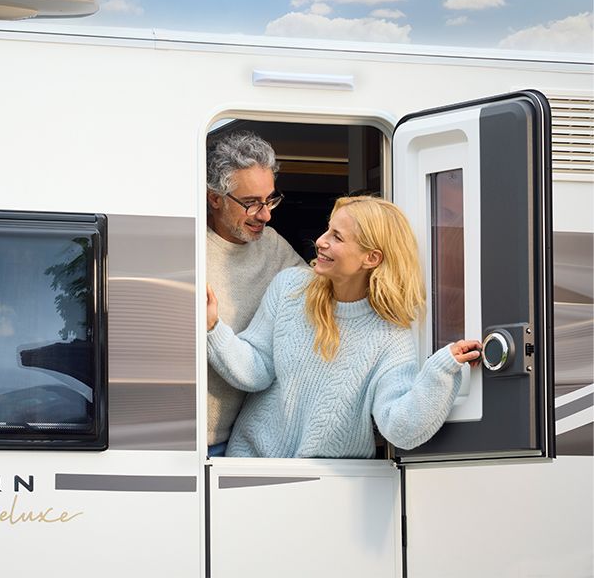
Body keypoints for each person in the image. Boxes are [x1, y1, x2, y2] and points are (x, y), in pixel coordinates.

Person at [206, 195, 481, 458]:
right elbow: (256, 370)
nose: (320, 241)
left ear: (371, 258)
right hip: (249, 466)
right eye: (328, 230)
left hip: (327, 480)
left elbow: (400, 428)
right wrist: (212, 327)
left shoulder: (389, 338)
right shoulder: (290, 287)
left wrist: (441, 369)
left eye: (337, 237)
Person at [205, 131, 306, 457]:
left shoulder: (274, 247)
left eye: (270, 199)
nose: (265, 215)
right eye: (251, 203)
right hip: (191, 441)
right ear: (215, 198)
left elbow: (322, 299)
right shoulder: (190, 249)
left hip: (248, 444)